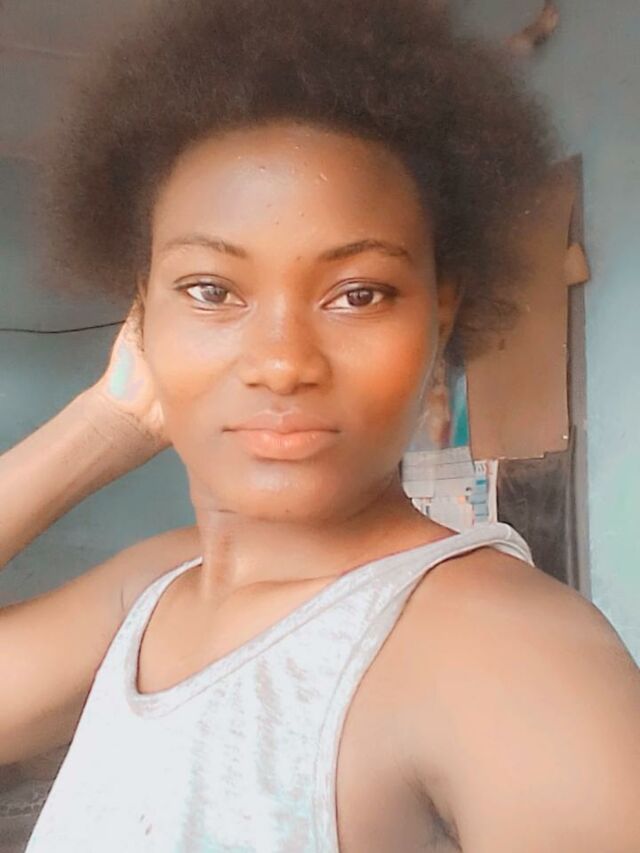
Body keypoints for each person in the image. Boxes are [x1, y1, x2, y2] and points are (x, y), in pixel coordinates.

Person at [1, 0, 639, 850]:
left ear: (441, 314)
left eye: (358, 294)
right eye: (210, 290)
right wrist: (105, 422)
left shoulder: (507, 651)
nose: (282, 362)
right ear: (142, 312)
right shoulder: (151, 592)